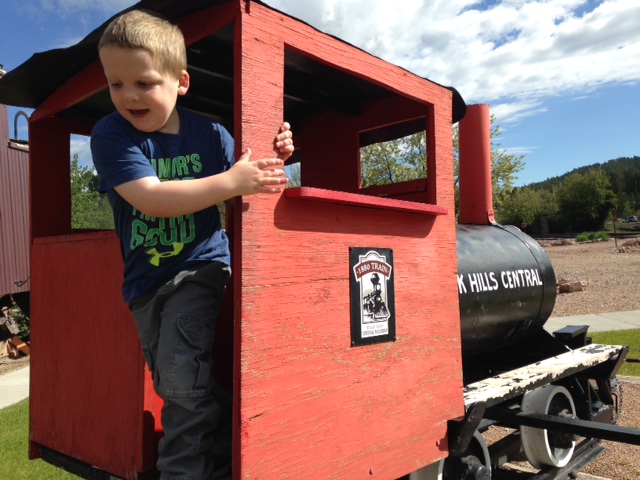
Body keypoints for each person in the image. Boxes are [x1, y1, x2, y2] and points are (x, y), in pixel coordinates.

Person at [90, 9, 293, 480]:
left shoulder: (211, 136)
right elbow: (151, 198)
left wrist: (278, 147)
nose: (128, 96)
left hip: (199, 268)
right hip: (144, 285)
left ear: (180, 81)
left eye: (143, 82)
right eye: (115, 84)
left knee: (182, 386)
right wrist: (231, 181)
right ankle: (228, 449)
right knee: (177, 383)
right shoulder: (112, 134)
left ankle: (182, 473)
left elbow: (254, 169)